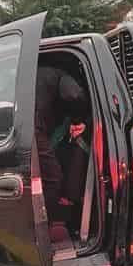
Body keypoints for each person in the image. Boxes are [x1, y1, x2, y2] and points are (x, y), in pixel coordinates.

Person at [34, 64, 89, 230]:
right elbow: (74, 94)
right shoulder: (61, 74)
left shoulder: (38, 73)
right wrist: (78, 120)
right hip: (32, 127)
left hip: (26, 126)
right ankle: (45, 229)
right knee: (52, 178)